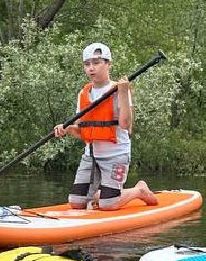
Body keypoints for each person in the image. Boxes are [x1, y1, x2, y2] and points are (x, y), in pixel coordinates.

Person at [54, 42, 159, 211]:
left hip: (116, 156)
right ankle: (103, 194)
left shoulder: (118, 90)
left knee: (108, 205)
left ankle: (139, 190)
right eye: (87, 64)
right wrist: (67, 129)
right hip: (91, 157)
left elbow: (125, 124)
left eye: (96, 63)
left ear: (108, 64)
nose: (91, 68)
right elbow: (82, 131)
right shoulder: (83, 94)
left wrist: (124, 93)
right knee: (76, 203)